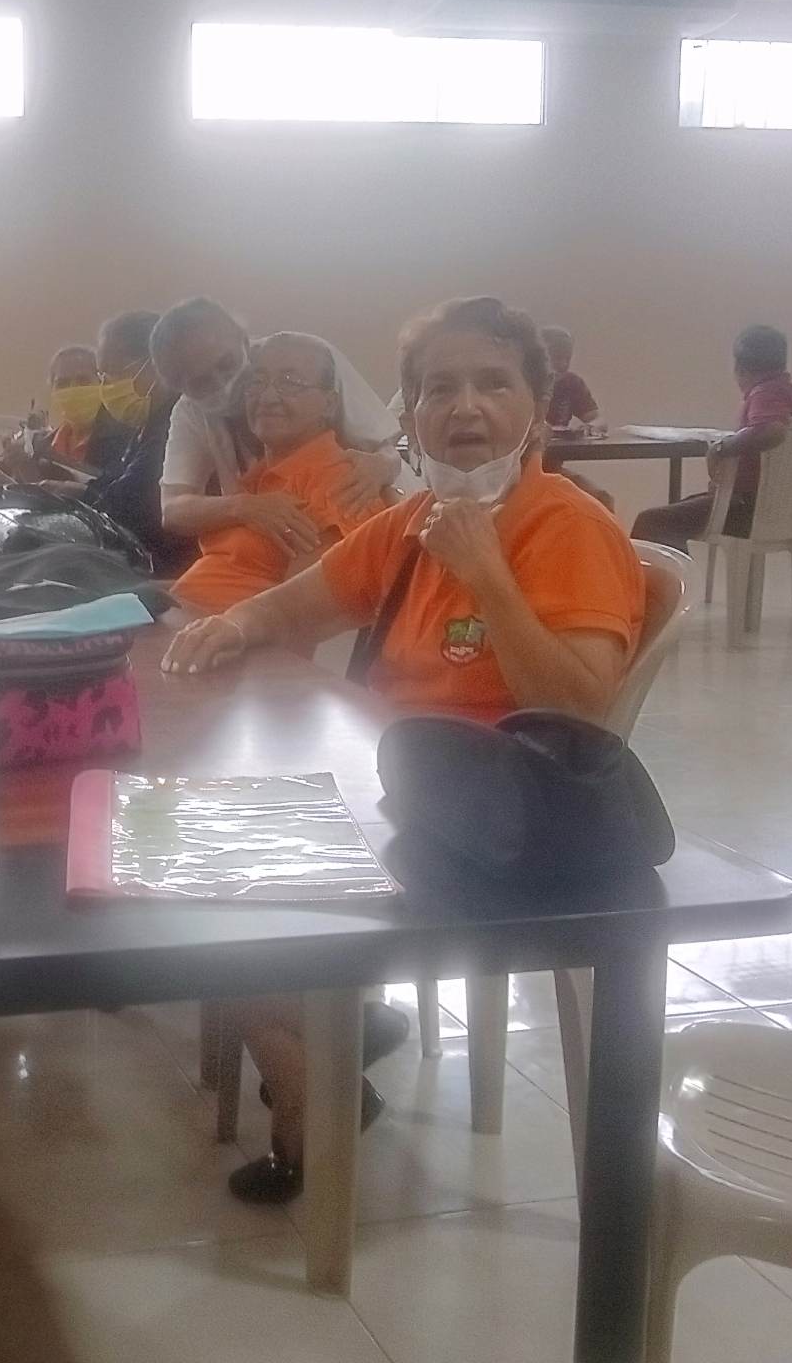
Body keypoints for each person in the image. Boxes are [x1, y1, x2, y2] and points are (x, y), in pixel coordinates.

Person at [162, 294, 647, 1204]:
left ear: (536, 405)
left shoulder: (566, 525)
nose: (465, 408)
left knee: (217, 903)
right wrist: (234, 623)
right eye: (437, 389)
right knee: (186, 859)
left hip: (498, 831)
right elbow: (302, 601)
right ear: (410, 413)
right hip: (400, 796)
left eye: (492, 384)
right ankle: (327, 1045)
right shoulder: (418, 517)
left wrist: (487, 575)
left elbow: (580, 708)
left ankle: (314, 1098)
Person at [154, 298, 412, 557]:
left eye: (227, 364)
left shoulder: (309, 357)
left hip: (358, 517)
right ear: (180, 388)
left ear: (243, 340)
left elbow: (385, 447)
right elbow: (173, 509)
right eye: (201, 383)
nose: (223, 385)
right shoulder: (189, 411)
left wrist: (382, 466)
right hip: (267, 551)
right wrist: (244, 507)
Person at [172, 332, 382, 615]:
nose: (267, 397)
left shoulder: (341, 484)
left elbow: (297, 618)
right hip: (183, 617)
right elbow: (225, 571)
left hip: (218, 635)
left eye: (290, 382)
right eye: (256, 381)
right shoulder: (259, 478)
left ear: (329, 404)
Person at [631, 323, 792, 553]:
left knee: (652, 522)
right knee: (680, 509)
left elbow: (771, 430)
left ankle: (674, 577)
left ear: (740, 368)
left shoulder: (764, 393)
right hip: (780, 510)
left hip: (745, 509)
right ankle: (680, 573)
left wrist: (722, 448)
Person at [72, 308, 194, 569]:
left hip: (165, 567)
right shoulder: (145, 423)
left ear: (155, 364)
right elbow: (114, 482)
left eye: (112, 372)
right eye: (102, 375)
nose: (106, 386)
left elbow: (125, 506)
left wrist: (79, 495)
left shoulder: (177, 426)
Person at [25, 342, 135, 475]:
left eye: (83, 381)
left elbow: (117, 485)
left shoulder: (128, 439)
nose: (73, 389)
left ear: (102, 383)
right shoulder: (43, 447)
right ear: (52, 389)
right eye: (62, 383)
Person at [541, 325, 602, 433]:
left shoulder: (573, 383)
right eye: (557, 358)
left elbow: (598, 420)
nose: (563, 364)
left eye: (567, 358)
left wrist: (589, 427)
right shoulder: (524, 383)